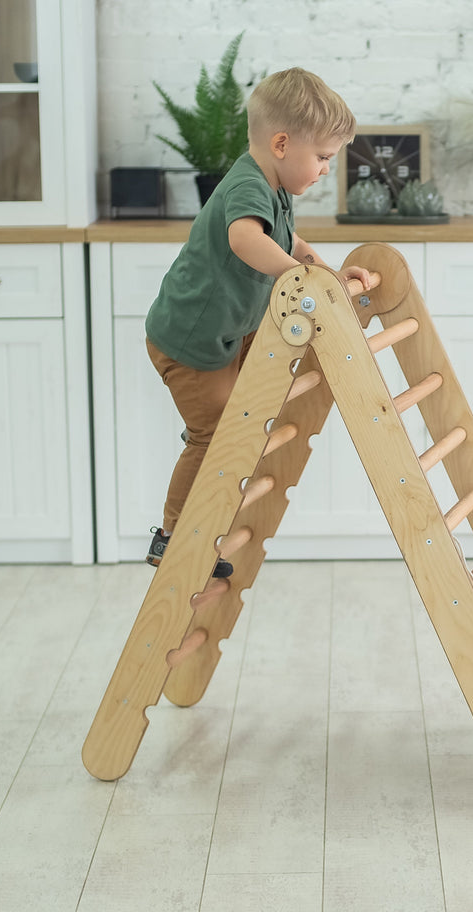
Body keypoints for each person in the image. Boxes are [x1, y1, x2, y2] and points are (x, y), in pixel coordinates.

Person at [143, 66, 371, 578]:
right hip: (190, 340)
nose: (325, 170)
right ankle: (174, 537)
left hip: (230, 333)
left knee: (246, 421)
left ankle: (210, 524)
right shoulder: (248, 182)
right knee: (213, 435)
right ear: (283, 143)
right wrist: (298, 280)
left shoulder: (277, 190)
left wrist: (328, 277)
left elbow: (292, 245)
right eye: (323, 158)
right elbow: (245, 240)